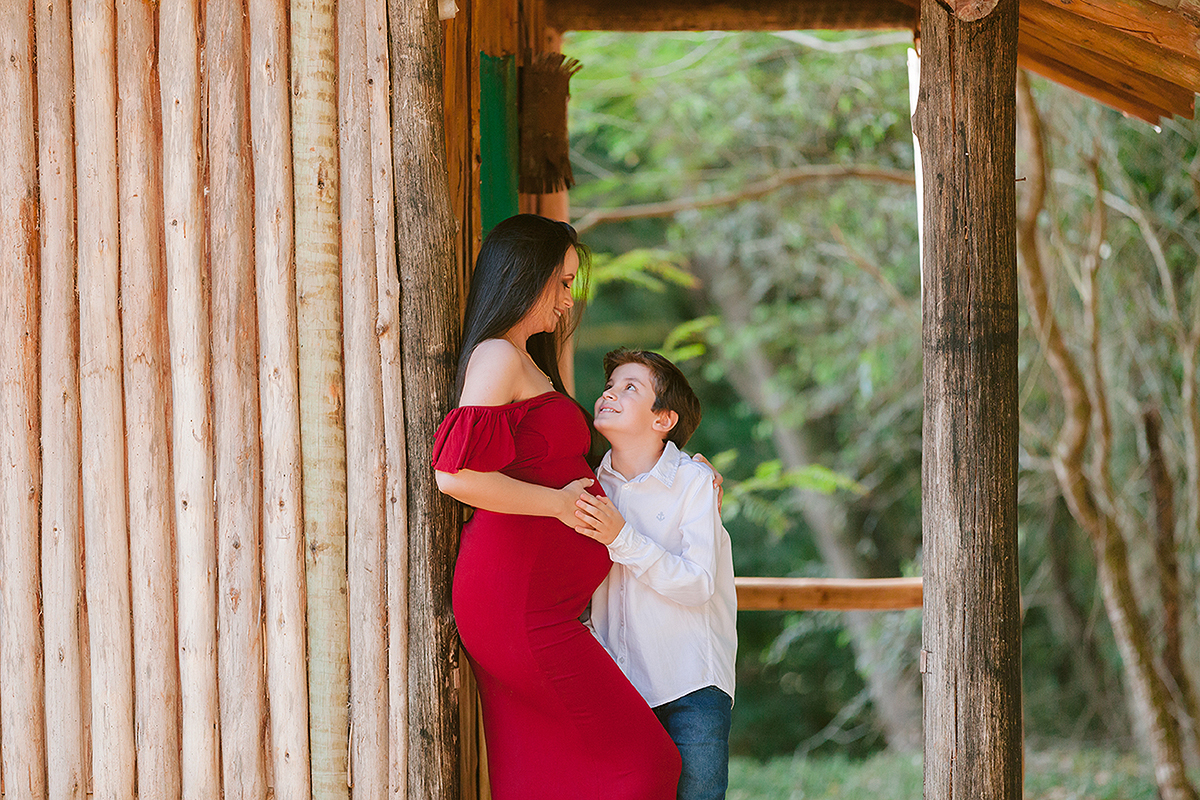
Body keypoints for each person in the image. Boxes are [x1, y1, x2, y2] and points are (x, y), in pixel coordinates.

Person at [432, 214, 681, 800]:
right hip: (518, 605)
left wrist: (686, 470)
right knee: (646, 765)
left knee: (543, 773)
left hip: (535, 604)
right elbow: (454, 474)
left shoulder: (526, 360)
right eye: (563, 282)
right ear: (527, 274)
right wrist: (560, 506)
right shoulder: (498, 356)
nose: (569, 300)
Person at [574, 348, 738, 800]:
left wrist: (621, 537)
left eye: (630, 387)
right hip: (620, 688)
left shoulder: (694, 482)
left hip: (691, 684)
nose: (610, 393)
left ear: (663, 419)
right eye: (610, 386)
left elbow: (697, 584)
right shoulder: (588, 486)